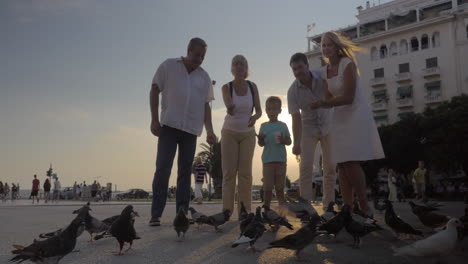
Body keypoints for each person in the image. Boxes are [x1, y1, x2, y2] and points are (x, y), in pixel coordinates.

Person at [310, 31, 385, 217]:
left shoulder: (348, 65)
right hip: (339, 117)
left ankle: (364, 206)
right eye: (323, 46)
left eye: (329, 44)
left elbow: (349, 97)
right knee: (341, 164)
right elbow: (328, 97)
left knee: (351, 161)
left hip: (355, 114)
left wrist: (323, 103)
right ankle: (348, 208)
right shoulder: (325, 71)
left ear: (337, 47)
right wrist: (320, 103)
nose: (326, 48)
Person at [149, 37, 217, 226]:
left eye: (203, 56)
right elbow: (154, 89)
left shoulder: (204, 77)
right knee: (163, 169)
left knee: (185, 172)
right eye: (197, 55)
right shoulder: (169, 66)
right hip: (169, 127)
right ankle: (156, 214)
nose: (199, 59)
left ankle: (182, 213)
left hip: (190, 130)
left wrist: (210, 130)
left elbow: (206, 106)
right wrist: (154, 119)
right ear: (188, 50)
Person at [287, 52, 336, 210]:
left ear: (307, 66)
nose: (297, 72)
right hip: (308, 128)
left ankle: (328, 204)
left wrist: (322, 103)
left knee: (329, 167)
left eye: (300, 67)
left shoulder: (322, 77)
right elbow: (295, 119)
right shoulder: (292, 91)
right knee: (305, 167)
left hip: (328, 124)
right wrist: (296, 143)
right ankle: (306, 205)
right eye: (294, 69)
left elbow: (333, 98)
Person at [221, 54, 262, 217]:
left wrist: (255, 117)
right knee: (229, 173)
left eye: (242, 64)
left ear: (246, 68)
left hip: (248, 134)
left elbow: (259, 110)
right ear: (232, 68)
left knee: (245, 173)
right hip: (229, 133)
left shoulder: (253, 87)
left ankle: (244, 210)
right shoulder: (226, 87)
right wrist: (230, 107)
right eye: (235, 64)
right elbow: (228, 103)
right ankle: (227, 210)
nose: (239, 66)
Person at [257, 96, 291, 208]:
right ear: (266, 110)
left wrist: (283, 140)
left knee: (280, 187)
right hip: (267, 161)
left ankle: (282, 208)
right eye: (269, 109)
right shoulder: (263, 126)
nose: (272, 112)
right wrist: (260, 139)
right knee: (267, 188)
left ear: (280, 111)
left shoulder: (283, 125)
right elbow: (261, 144)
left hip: (281, 161)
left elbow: (289, 141)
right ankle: (266, 207)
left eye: (274, 109)